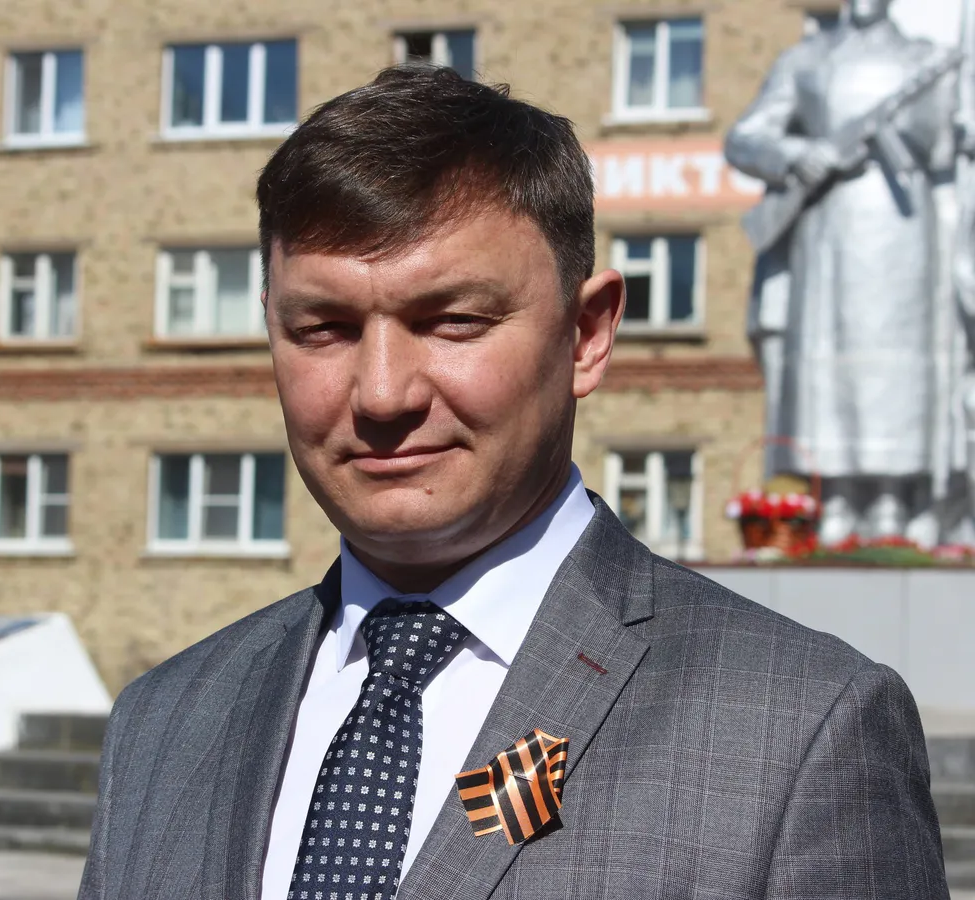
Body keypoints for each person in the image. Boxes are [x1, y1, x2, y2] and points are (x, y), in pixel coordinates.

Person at [78, 66, 946, 900]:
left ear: (587, 335)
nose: (382, 394)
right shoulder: (165, 722)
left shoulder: (798, 730)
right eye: (325, 328)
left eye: (452, 322)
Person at [725, 0, 960, 546]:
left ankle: (892, 500)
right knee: (828, 362)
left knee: (901, 366)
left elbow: (943, 147)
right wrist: (799, 153)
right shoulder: (805, 59)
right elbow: (745, 138)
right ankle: (833, 498)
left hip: (906, 229)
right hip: (828, 226)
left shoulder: (925, 59)